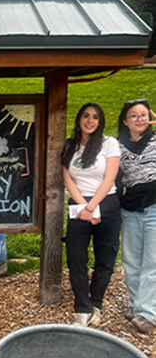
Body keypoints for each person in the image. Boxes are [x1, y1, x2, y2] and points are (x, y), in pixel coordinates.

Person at [61, 103, 121, 327]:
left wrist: (92, 207)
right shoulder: (70, 145)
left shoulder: (109, 144)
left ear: (100, 121)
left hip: (107, 203)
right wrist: (85, 207)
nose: (90, 121)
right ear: (79, 119)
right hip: (79, 203)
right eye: (86, 116)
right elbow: (68, 179)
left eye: (95, 117)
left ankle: (96, 303)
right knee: (76, 255)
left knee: (105, 255)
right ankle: (82, 306)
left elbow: (109, 179)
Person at [117, 98, 156, 333]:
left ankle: (147, 312)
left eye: (143, 115)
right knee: (131, 261)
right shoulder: (117, 145)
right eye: (134, 115)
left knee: (152, 262)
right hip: (129, 209)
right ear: (125, 121)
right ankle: (135, 303)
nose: (140, 119)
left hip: (155, 207)